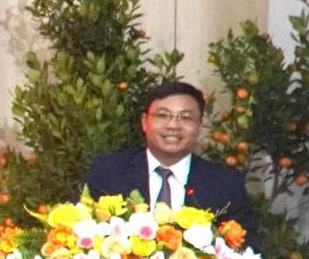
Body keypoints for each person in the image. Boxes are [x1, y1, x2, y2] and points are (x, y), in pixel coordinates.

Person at [81, 80, 254, 233]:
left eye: (185, 118)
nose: (173, 126)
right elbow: (81, 230)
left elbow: (244, 248)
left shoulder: (225, 183)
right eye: (163, 115)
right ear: (144, 122)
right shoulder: (108, 172)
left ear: (199, 126)